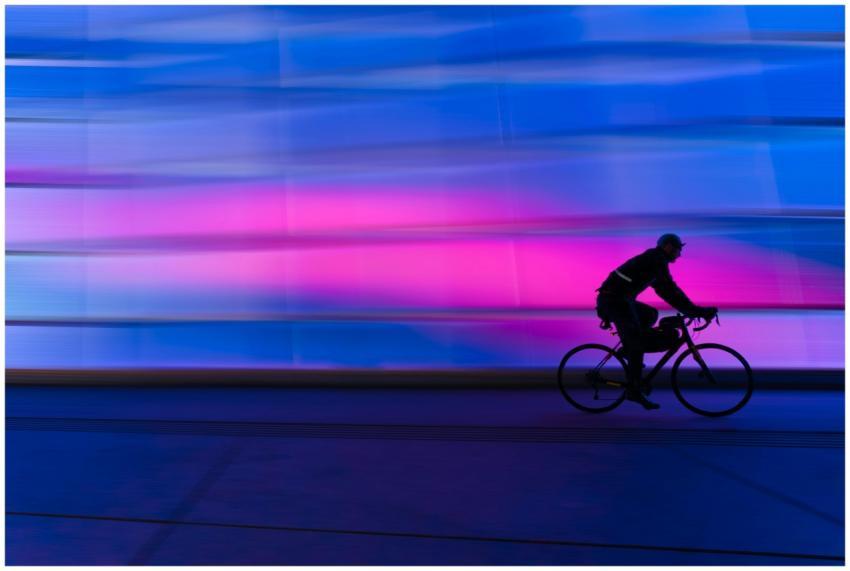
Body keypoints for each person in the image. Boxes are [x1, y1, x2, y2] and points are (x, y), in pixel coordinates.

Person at [595, 234, 717, 410]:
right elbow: (669, 290)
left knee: (650, 314)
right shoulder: (655, 260)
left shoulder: (655, 259)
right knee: (637, 343)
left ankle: (627, 348)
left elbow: (667, 290)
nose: (679, 254)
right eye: (678, 249)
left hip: (620, 300)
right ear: (668, 246)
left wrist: (692, 310)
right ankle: (634, 390)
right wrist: (696, 311)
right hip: (614, 302)